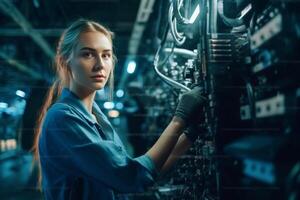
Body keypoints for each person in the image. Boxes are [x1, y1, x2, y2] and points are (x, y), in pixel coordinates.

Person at [32, 19, 206, 200]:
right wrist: (179, 120)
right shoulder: (62, 118)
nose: (100, 64)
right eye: (88, 55)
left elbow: (148, 172)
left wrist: (190, 135)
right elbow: (131, 177)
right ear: (65, 62)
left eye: (106, 55)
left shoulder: (96, 118)